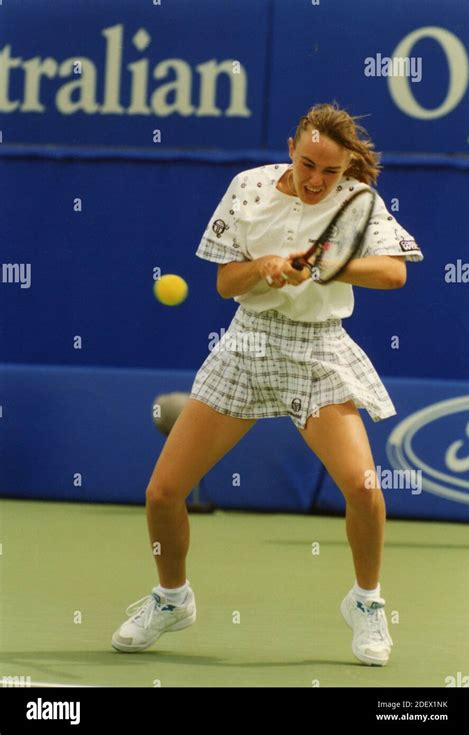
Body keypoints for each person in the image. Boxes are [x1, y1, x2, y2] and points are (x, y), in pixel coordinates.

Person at [112, 102, 423, 666]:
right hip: (247, 343)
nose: (316, 180)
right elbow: (226, 283)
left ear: (345, 167)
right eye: (308, 165)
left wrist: (327, 263)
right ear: (290, 149)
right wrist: (266, 266)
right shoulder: (248, 188)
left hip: (318, 349)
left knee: (363, 488)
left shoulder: (357, 200)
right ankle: (171, 598)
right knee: (162, 493)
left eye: (329, 171)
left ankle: (367, 603)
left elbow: (395, 272)